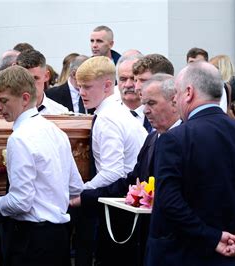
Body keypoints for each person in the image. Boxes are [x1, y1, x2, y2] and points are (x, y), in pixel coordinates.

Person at [146, 61, 235, 265]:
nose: (175, 100)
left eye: (175, 93)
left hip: (189, 256)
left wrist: (212, 236)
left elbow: (169, 202)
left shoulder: (174, 139)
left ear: (188, 92)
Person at [70, 73, 180, 266]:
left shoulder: (188, 139)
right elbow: (132, 182)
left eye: (151, 103)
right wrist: (86, 197)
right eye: (144, 103)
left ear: (174, 101)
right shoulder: (153, 139)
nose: (145, 110)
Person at [0, 65, 84, 266]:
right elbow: (75, 187)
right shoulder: (57, 132)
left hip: (31, 241)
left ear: (25, 98)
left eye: (4, 101)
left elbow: (21, 202)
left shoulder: (19, 139)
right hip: (58, 239)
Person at [74, 56, 147, 265]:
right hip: (129, 200)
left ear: (107, 85)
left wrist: (82, 192)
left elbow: (113, 172)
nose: (82, 93)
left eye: (87, 87)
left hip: (121, 206)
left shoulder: (107, 117)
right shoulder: (119, 111)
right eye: (79, 87)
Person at [16, 49, 69, 115]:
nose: (30, 85)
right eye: (24, 78)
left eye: (35, 78)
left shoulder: (61, 113)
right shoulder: (6, 112)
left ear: (46, 76)